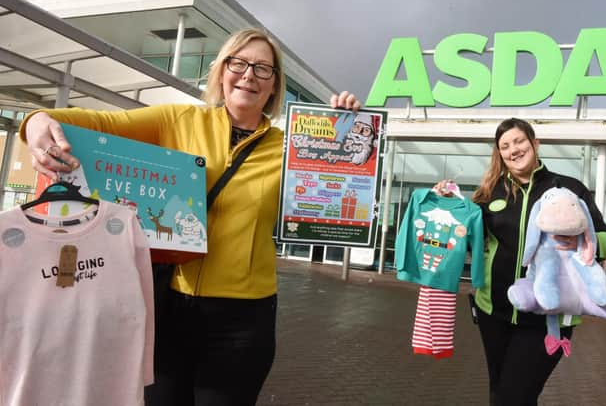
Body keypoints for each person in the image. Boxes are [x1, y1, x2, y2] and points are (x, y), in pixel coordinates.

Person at [20, 28, 361, 406]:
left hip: (244, 322)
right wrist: (36, 122)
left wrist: (341, 132)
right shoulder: (177, 120)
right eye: (239, 63)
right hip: (171, 305)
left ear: (274, 85)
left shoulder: (292, 150)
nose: (249, 75)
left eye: (263, 69)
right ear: (222, 71)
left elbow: (342, 185)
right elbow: (94, 123)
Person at [434, 117, 606, 406]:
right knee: (502, 393)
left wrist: (583, 242)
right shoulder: (489, 193)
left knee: (511, 397)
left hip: (548, 319)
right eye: (505, 146)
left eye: (519, 141)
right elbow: (465, 240)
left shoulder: (568, 189)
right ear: (500, 153)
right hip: (492, 312)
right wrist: (444, 202)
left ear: (535, 143)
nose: (514, 150)